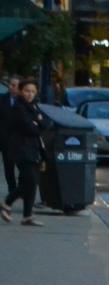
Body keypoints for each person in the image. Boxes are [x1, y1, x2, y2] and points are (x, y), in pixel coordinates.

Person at [2, 78, 50, 226]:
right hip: (21, 149)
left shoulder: (33, 106)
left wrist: (38, 122)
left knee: (28, 182)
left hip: (34, 148)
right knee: (31, 180)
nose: (30, 94)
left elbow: (46, 123)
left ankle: (27, 216)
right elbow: (30, 128)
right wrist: (37, 123)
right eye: (27, 91)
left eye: (33, 92)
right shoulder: (18, 107)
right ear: (20, 91)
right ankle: (7, 202)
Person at [0, 76, 19, 202]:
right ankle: (12, 191)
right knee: (9, 168)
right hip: (5, 140)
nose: (13, 87)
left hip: (20, 141)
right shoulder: (2, 100)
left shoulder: (23, 100)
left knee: (23, 168)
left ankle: (20, 191)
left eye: (16, 85)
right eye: (11, 85)